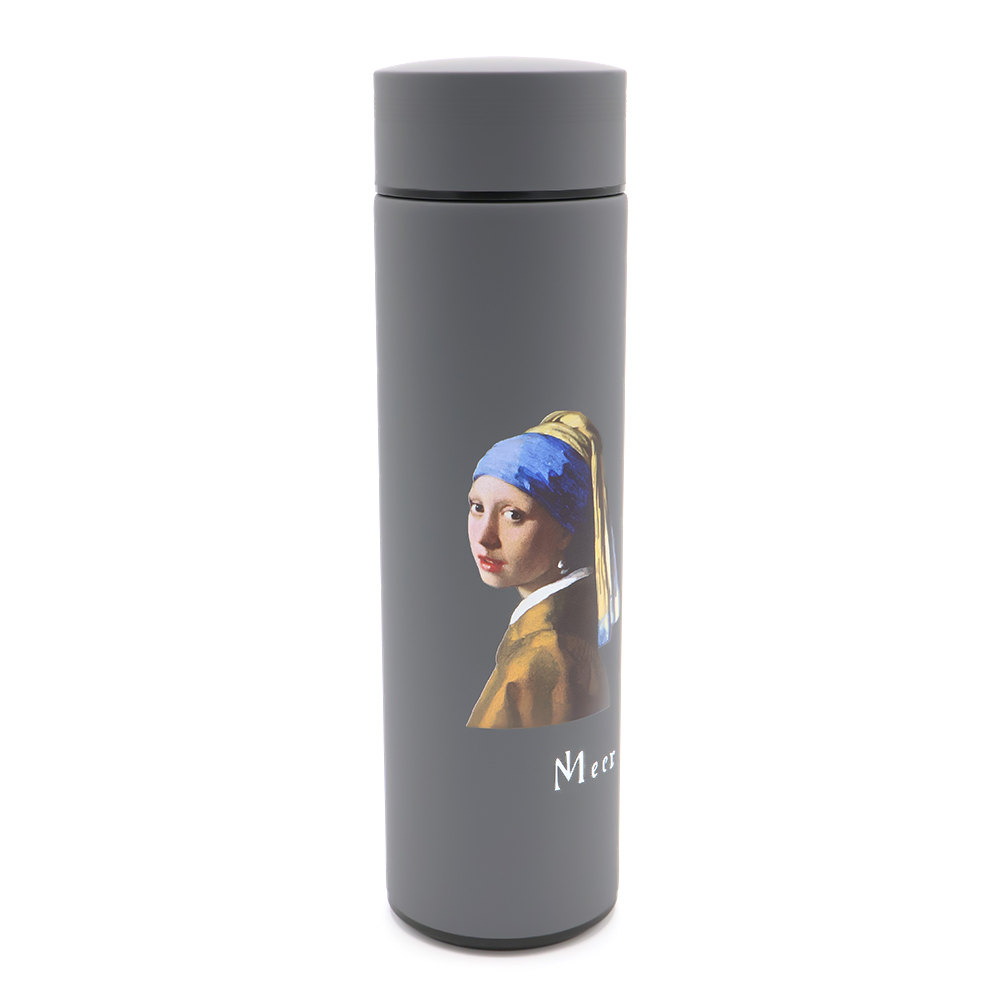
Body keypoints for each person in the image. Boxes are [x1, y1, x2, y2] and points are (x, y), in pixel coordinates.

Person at [466, 410, 620, 729]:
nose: (485, 536)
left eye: (513, 515)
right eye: (477, 508)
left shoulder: (543, 654)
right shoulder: (561, 632)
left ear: (565, 532)